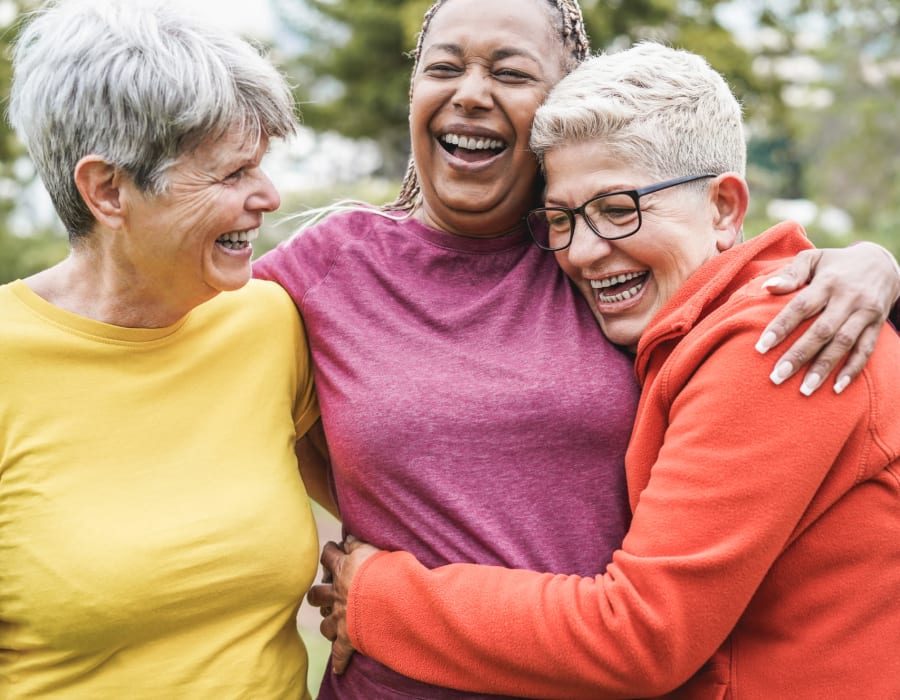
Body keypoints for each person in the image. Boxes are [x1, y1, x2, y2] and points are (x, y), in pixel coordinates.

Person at [254, 1, 900, 698]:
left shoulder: (782, 330)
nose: (589, 248)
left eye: (618, 209)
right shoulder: (331, 269)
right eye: (443, 67)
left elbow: (642, 633)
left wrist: (376, 594)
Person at [1, 1, 322, 697]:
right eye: (232, 174)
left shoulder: (269, 322)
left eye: (261, 166)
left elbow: (384, 497)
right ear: (108, 190)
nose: (268, 195)